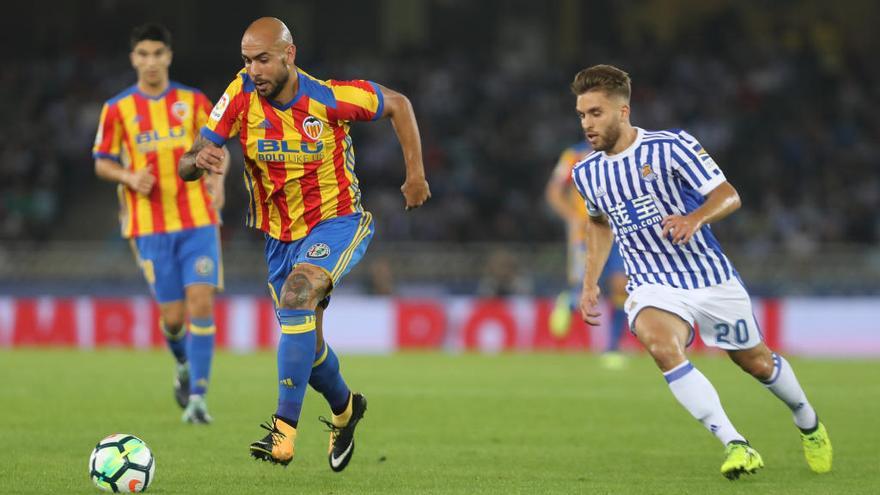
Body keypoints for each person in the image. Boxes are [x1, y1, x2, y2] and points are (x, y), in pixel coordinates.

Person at [179, 17, 430, 470]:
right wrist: (198, 159)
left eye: (263, 59)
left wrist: (415, 174)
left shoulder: (328, 97)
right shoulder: (237, 97)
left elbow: (399, 104)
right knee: (308, 349)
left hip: (336, 221)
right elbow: (185, 163)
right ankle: (347, 409)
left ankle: (283, 433)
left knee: (299, 293)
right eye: (247, 61)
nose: (253, 70)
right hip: (279, 238)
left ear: (288, 55)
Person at [570, 64, 832, 479]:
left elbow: (728, 195)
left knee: (757, 363)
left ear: (623, 112)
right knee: (660, 345)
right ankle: (736, 443)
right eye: (582, 114)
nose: (587, 123)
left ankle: (808, 421)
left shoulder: (671, 147)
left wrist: (695, 219)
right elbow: (599, 223)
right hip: (651, 284)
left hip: (709, 278)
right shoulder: (585, 172)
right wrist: (589, 284)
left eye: (596, 113)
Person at [93, 23, 226, 424]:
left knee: (201, 303)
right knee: (173, 318)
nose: (151, 61)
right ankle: (183, 364)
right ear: (134, 58)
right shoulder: (118, 109)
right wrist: (129, 177)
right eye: (143, 54)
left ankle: (199, 398)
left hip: (198, 219)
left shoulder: (193, 101)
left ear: (168, 56)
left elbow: (217, 150)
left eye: (158, 53)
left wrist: (217, 183)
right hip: (148, 226)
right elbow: (102, 161)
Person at [545, 141, 628, 367]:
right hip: (586, 235)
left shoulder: (625, 152)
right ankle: (568, 301)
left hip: (619, 232)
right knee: (588, 290)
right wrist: (573, 217)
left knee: (621, 285)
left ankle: (612, 348)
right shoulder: (575, 155)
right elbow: (554, 192)